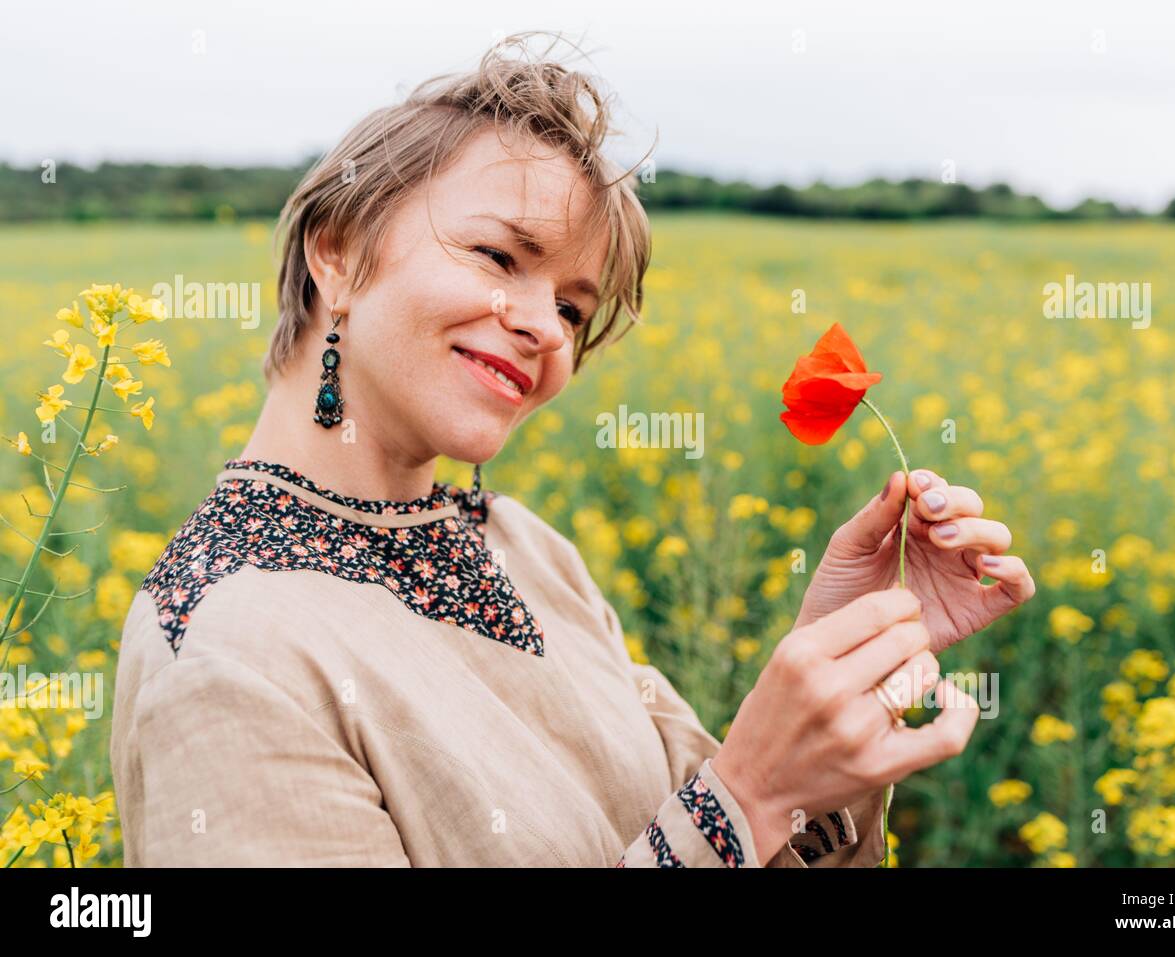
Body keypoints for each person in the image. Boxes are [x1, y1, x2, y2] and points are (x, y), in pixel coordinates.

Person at [110, 32, 1035, 867]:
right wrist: (747, 799)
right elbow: (725, 817)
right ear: (340, 253)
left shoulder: (526, 549)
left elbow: (712, 820)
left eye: (571, 307)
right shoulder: (226, 650)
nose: (543, 329)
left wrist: (839, 661)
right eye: (499, 256)